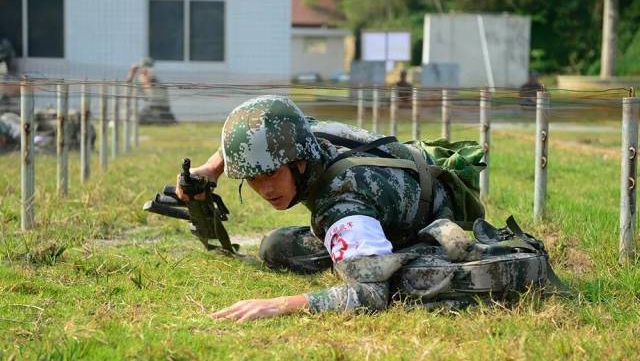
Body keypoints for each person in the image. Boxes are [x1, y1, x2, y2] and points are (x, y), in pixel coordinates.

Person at [174, 95, 486, 322]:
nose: (265, 189)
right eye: (252, 178)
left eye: (271, 173)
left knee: (383, 277)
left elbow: (371, 296)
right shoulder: (300, 133)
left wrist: (280, 304)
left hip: (420, 220)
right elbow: (259, 123)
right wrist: (211, 168)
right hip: (406, 187)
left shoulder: (342, 205)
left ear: (298, 161)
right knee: (276, 246)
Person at [127, 58, 176, 124]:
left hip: (161, 109)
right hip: (150, 109)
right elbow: (128, 91)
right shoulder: (141, 80)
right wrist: (131, 74)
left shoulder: (154, 81)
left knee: (141, 119)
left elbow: (151, 92)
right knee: (136, 119)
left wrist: (145, 79)